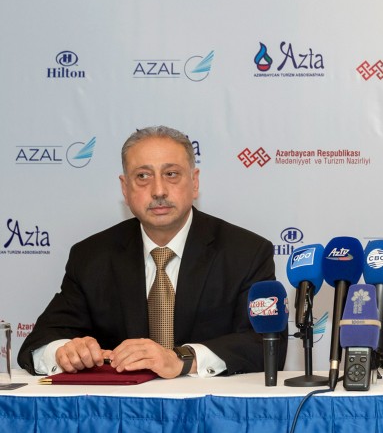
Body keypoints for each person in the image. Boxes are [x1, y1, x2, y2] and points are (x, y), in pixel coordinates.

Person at [18, 125, 284, 378]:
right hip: (122, 407)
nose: (158, 191)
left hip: (209, 406)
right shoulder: (91, 257)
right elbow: (38, 344)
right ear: (125, 188)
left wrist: (182, 359)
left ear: (194, 182)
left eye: (171, 174)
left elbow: (267, 344)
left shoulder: (245, 252)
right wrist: (64, 351)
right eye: (143, 176)